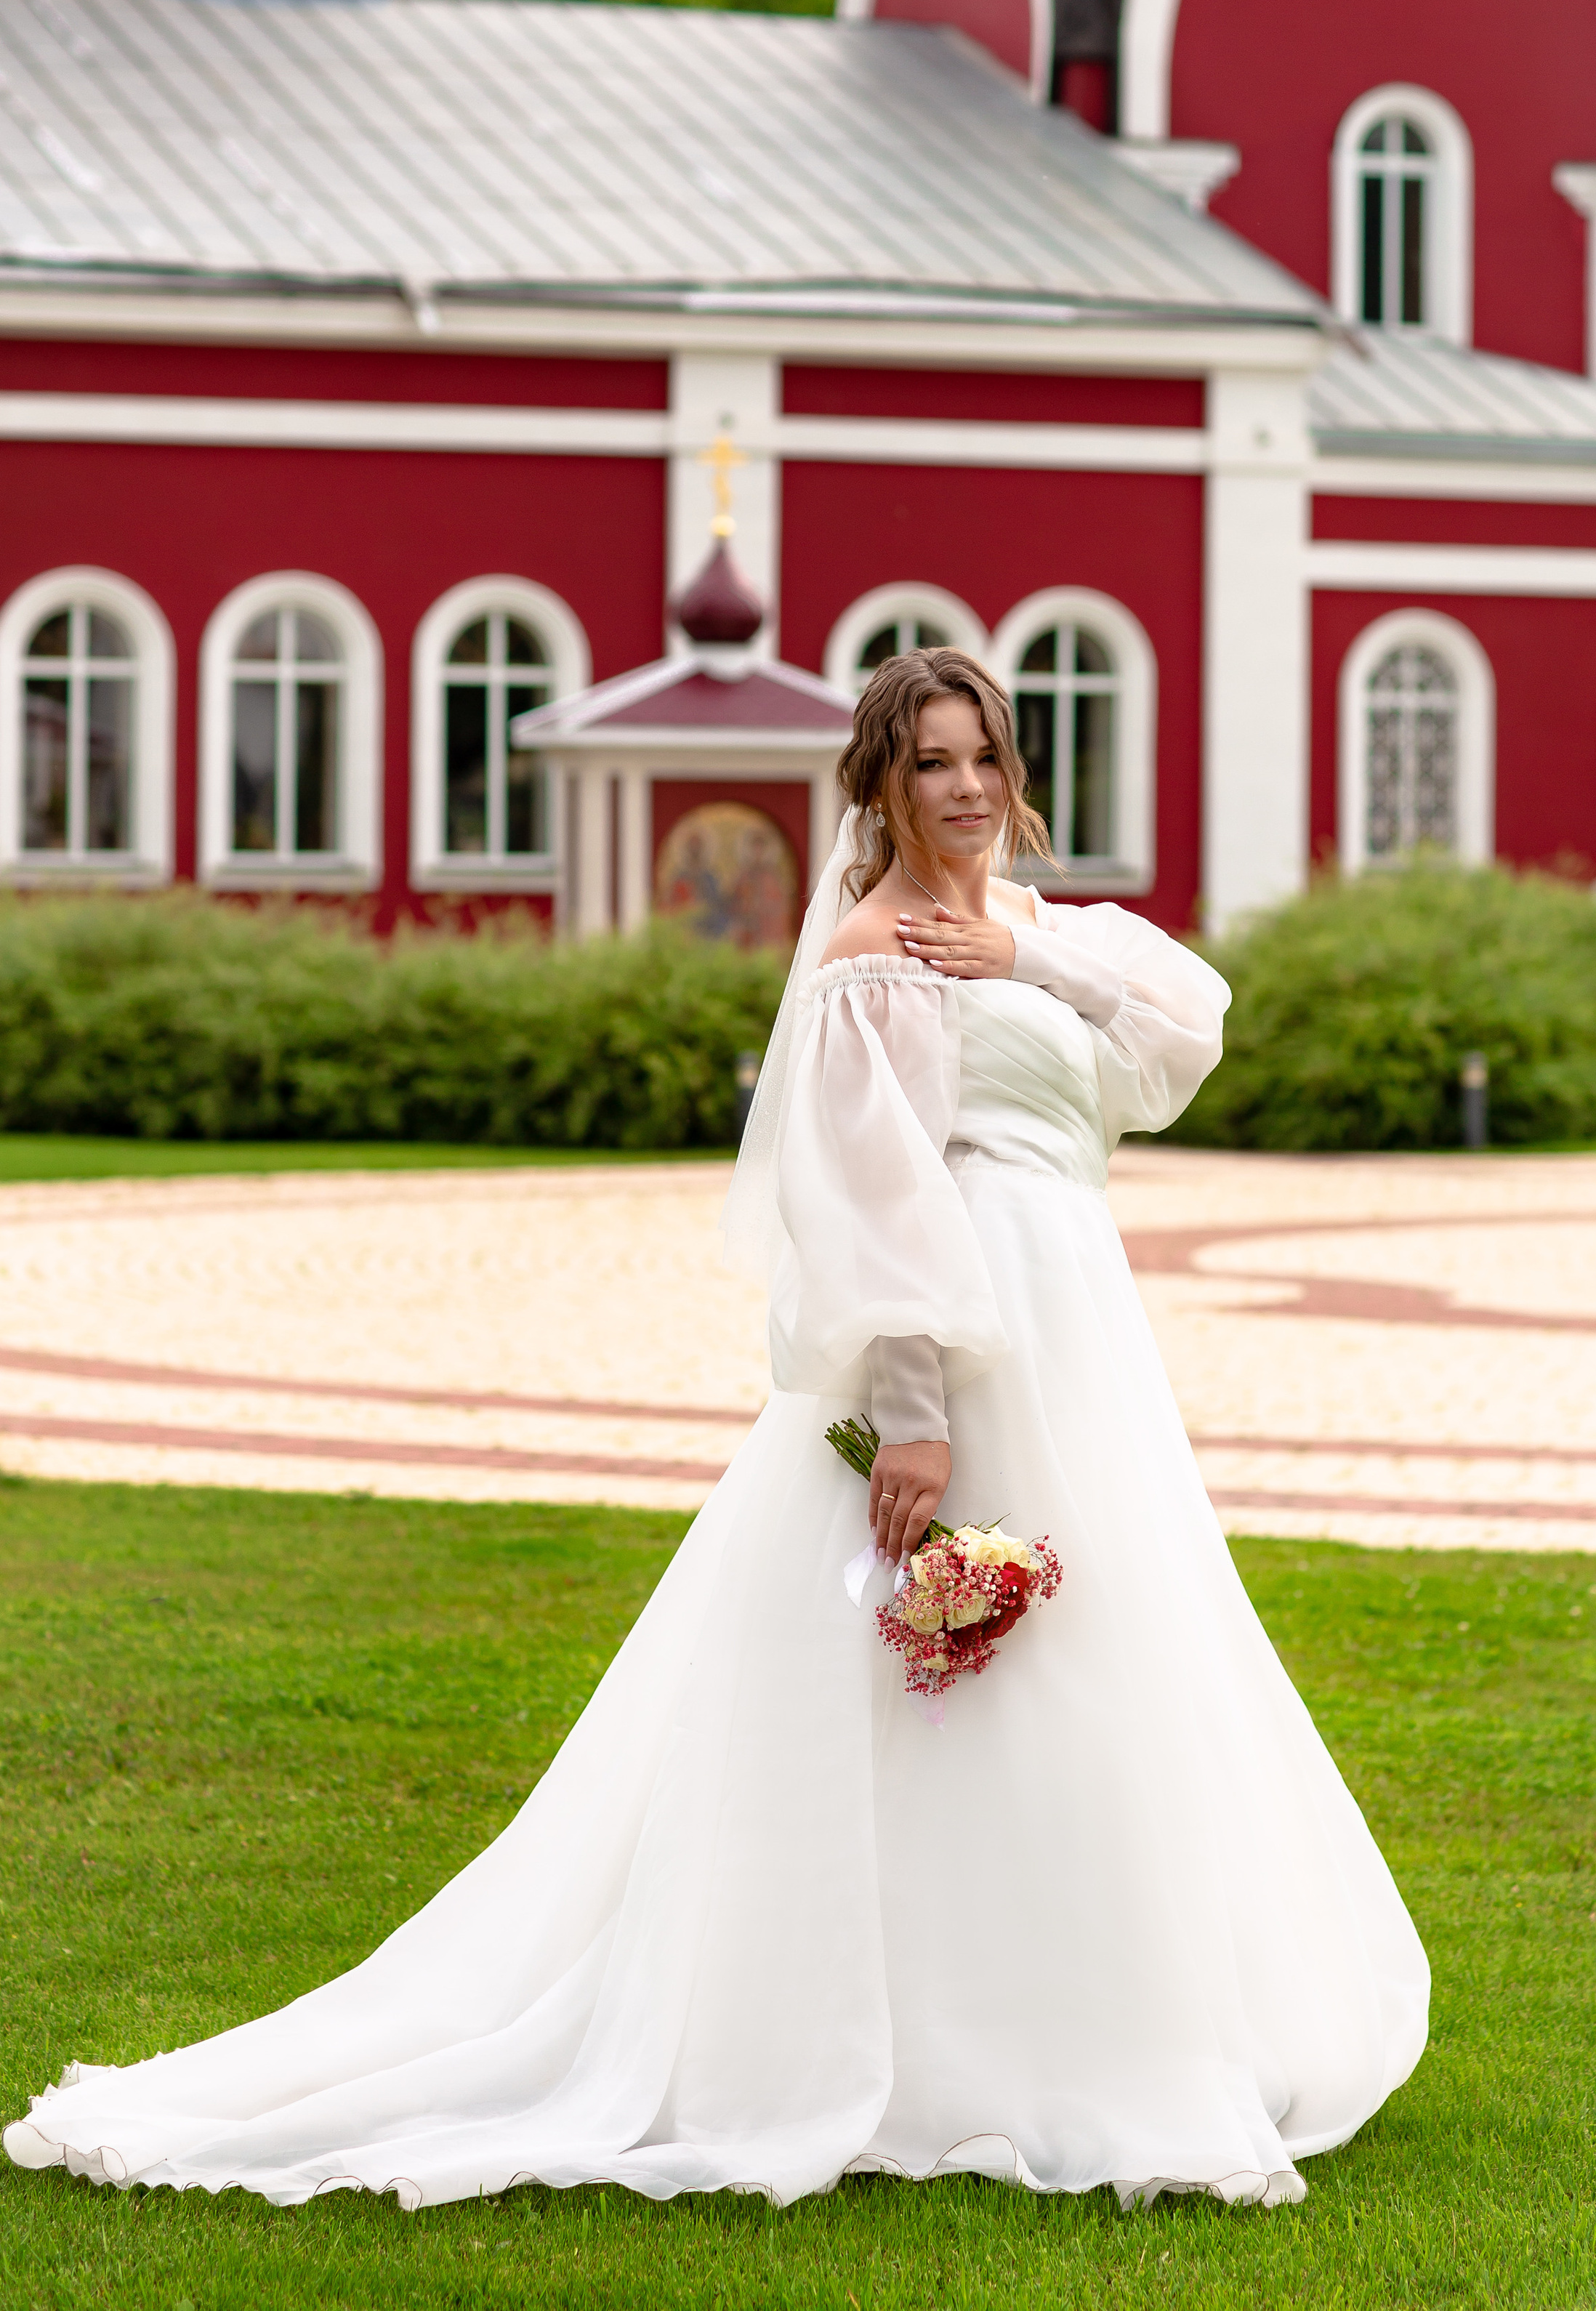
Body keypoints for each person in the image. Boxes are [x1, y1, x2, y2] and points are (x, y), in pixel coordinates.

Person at [5, 648, 1427, 2213]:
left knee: (1100, 1658)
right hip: (968, 1336)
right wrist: (911, 1419)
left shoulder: (1024, 927)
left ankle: (1086, 2009)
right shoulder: (868, 958)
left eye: (980, 758)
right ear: (878, 784)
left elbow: (1176, 1033)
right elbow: (869, 1203)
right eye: (929, 762)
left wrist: (1030, 969)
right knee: (935, 1662)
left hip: (1080, 1324)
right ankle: (913, 2036)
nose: (960, 787)